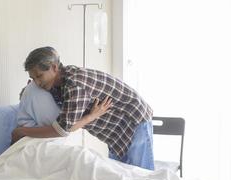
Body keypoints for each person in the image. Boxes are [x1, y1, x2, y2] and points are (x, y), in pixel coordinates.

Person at [13, 46, 154, 170]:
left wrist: (21, 132)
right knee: (124, 179)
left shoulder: (75, 85)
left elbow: (63, 130)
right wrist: (27, 90)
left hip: (133, 120)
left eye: (39, 76)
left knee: (142, 178)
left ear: (54, 68)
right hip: (115, 134)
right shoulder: (56, 82)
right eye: (33, 78)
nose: (37, 82)